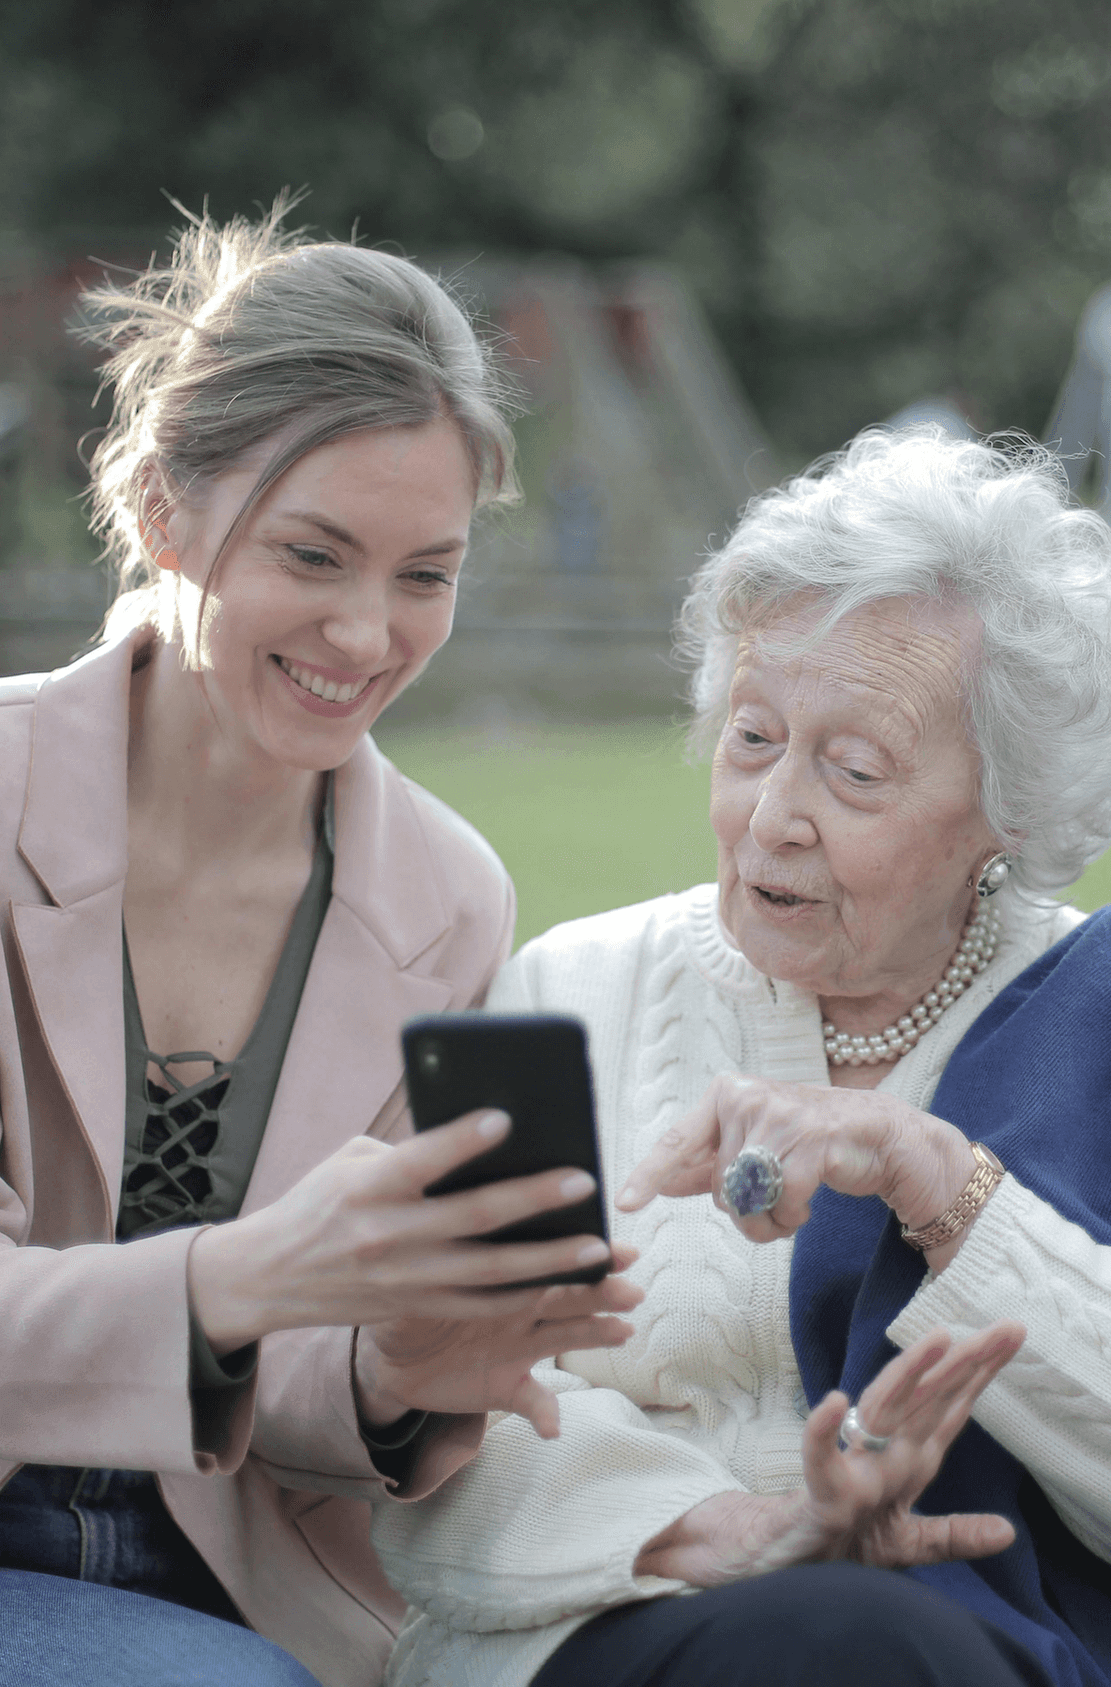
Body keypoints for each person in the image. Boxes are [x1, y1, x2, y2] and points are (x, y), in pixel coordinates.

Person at [368, 428, 1111, 1687]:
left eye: (853, 771)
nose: (769, 816)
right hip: (601, 1630)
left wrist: (939, 1179)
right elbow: (445, 1405)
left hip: (1008, 1655)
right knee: (842, 1638)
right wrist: (741, 1534)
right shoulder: (571, 990)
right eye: (752, 737)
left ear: (1012, 810)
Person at [0, 200, 644, 1687]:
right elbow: (250, 1284)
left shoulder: (448, 896)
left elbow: (298, 1381)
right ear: (166, 510)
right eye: (315, 553)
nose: (368, 632)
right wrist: (237, 1273)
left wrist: (395, 1366)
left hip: (244, 1585)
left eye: (426, 571)